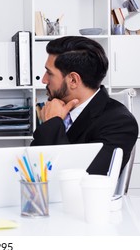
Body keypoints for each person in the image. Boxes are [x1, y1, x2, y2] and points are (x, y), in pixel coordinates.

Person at [31, 36, 138, 175]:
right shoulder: (59, 110)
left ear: (73, 80)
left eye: (49, 73)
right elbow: (33, 166)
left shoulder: (119, 123)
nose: (44, 80)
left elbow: (82, 179)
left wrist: (53, 123)